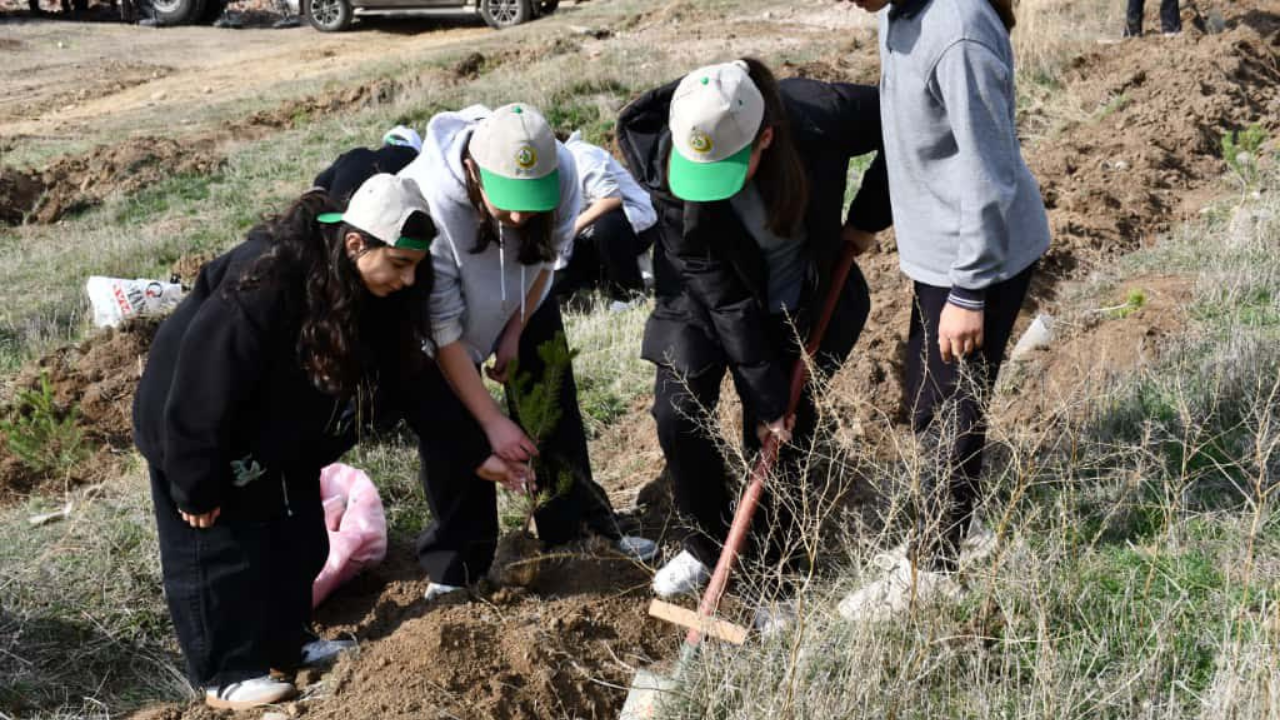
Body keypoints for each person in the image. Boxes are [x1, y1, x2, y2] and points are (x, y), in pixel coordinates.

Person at [133, 174, 437, 709]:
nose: (409, 281)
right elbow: (206, 374)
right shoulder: (268, 279)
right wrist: (195, 481)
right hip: (190, 423)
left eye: (416, 266)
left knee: (296, 536)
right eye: (399, 264)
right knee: (216, 547)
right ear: (355, 244)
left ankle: (287, 642)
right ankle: (227, 672)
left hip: (271, 428)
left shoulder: (362, 287)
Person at [616, 59, 891, 602]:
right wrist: (766, 392)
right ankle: (706, 544)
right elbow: (721, 297)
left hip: (798, 296)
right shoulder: (666, 161)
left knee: (782, 435)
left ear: (765, 138)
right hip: (702, 294)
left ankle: (775, 571)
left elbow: (909, 118)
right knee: (678, 410)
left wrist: (866, 216)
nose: (707, 190)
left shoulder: (818, 113)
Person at [837, 0, 1051, 621]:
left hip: (981, 256)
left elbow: (990, 172)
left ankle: (934, 568)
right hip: (939, 251)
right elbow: (904, 133)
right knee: (929, 398)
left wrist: (968, 292)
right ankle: (957, 527)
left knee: (953, 405)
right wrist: (864, 221)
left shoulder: (959, 31)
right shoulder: (895, 14)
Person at [397, 103, 656, 601]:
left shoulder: (561, 170)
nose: (520, 217)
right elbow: (444, 330)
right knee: (457, 437)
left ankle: (578, 526)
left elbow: (548, 260)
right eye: (509, 203)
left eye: (530, 203)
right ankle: (458, 566)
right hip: (445, 331)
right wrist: (492, 421)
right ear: (473, 171)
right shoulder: (429, 195)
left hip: (524, 303)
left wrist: (515, 329)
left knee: (552, 408)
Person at [554, 131, 659, 308]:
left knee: (606, 227)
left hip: (633, 222)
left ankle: (628, 292)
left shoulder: (581, 156)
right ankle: (595, 285)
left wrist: (572, 229)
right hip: (591, 235)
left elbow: (611, 199)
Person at [313, 126, 423, 205]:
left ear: (387, 144)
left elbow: (319, 182)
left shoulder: (355, 154)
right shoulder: (416, 167)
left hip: (336, 212)